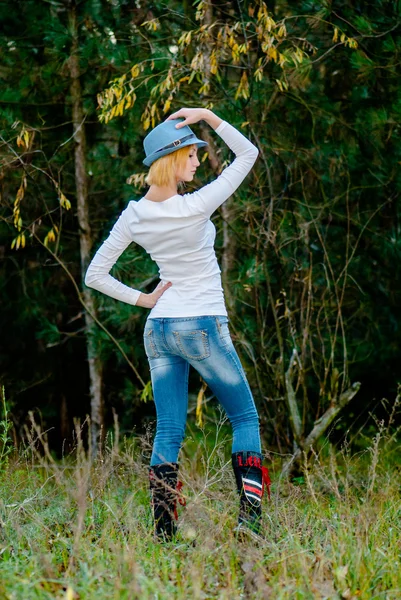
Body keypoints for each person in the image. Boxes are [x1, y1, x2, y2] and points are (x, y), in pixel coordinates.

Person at [85, 107, 271, 541]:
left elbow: (95, 274)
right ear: (171, 158)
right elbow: (249, 154)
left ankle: (164, 535)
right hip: (200, 323)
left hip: (160, 328)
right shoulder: (195, 206)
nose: (197, 161)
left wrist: (143, 299)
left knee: (169, 429)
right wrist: (208, 115)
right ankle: (250, 525)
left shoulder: (133, 214)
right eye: (191, 154)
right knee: (245, 418)